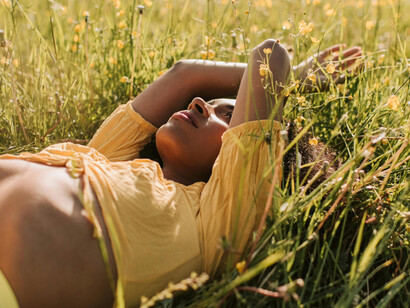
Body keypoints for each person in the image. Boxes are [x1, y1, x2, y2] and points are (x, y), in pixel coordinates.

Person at [0, 39, 361, 307]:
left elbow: (269, 57)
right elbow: (184, 74)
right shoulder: (109, 158)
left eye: (229, 117)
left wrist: (294, 79)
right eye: (208, 103)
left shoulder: (220, 219)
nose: (199, 103)